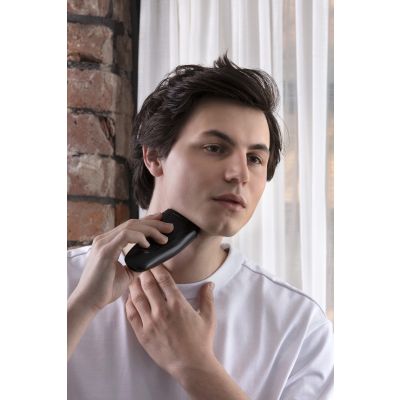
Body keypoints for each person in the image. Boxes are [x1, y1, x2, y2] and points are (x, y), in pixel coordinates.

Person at [67, 55, 333, 400]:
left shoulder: (298, 325)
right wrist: (82, 306)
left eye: (255, 158)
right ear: (154, 156)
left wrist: (195, 366)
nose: (240, 174)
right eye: (215, 148)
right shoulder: (66, 282)